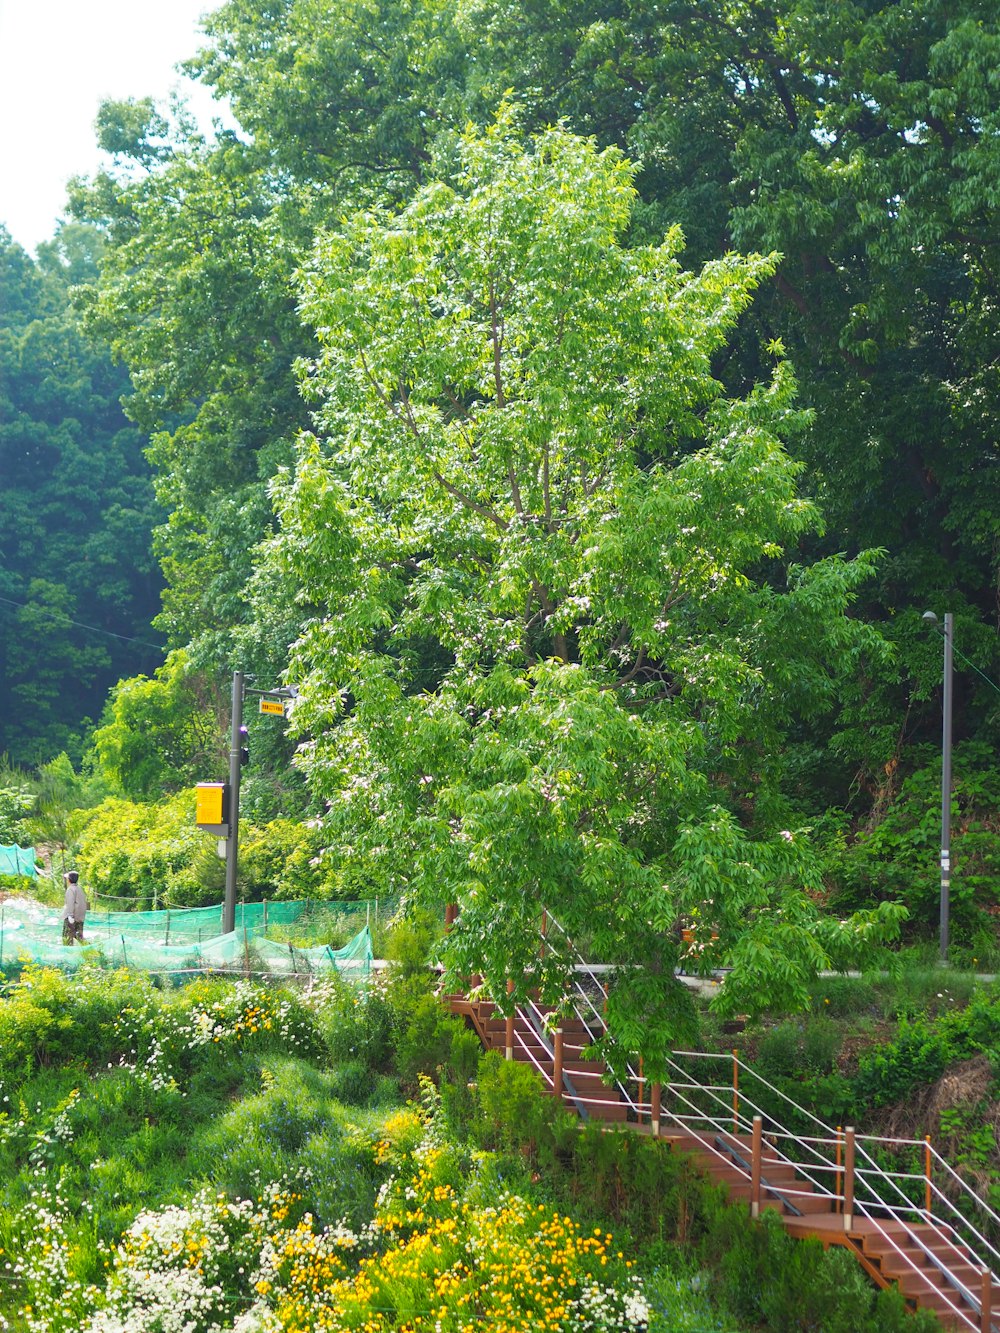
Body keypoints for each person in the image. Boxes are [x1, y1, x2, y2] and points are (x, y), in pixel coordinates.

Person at [62, 870, 88, 945]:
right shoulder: (80, 889)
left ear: (69, 880)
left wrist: (70, 915)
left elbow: (70, 903)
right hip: (80, 917)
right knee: (79, 936)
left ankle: (68, 953)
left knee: (67, 937)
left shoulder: (70, 889)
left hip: (72, 917)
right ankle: (92, 951)